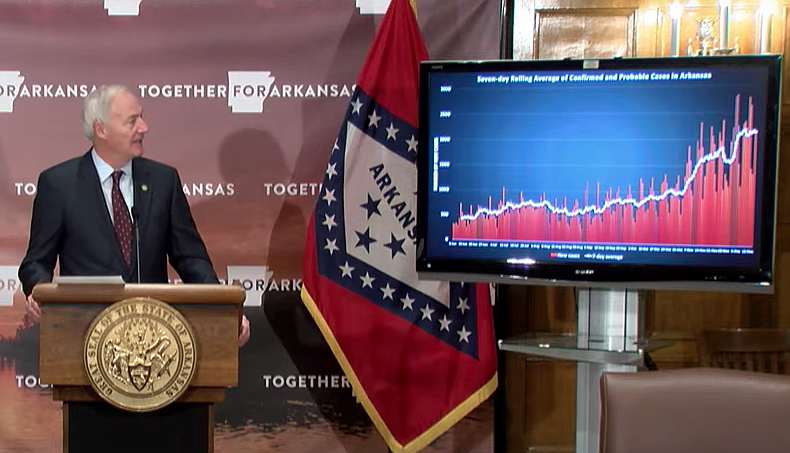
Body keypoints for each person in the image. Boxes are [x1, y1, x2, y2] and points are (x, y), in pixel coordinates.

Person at [18, 85, 250, 346]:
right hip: (82, 337)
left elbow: (191, 258)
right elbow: (36, 262)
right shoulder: (59, 184)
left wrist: (221, 308)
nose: (144, 127)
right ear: (101, 129)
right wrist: (39, 293)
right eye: (132, 121)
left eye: (141, 117)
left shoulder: (163, 181)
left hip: (154, 341)